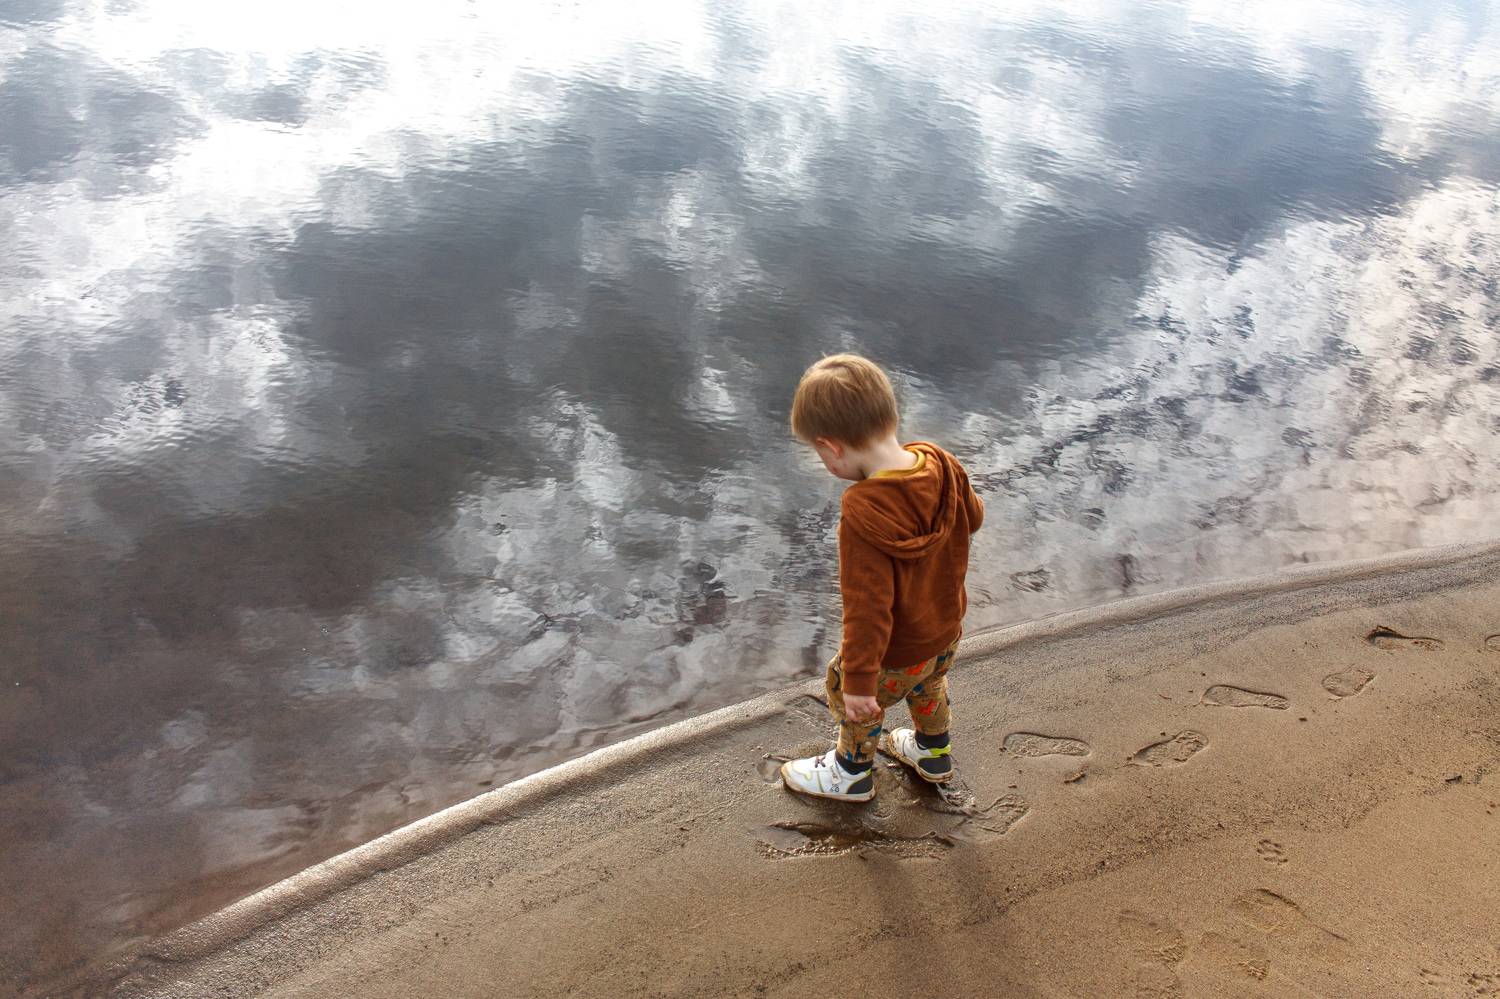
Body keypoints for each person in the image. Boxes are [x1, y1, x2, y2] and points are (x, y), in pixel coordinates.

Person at [780, 353, 984, 801]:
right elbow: (974, 518)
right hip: (945, 632)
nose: (825, 462)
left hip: (896, 653)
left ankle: (851, 772)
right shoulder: (942, 463)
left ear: (833, 447)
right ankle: (933, 752)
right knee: (929, 685)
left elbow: (867, 608)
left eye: (820, 454)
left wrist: (857, 682)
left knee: (852, 696)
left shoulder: (862, 510)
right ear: (890, 415)